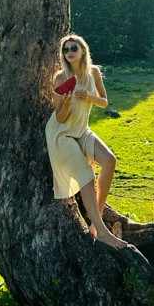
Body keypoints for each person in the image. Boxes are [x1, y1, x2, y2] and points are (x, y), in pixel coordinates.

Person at [45, 34, 127, 250]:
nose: (69, 52)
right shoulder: (60, 78)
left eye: (74, 47)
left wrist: (89, 96)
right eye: (65, 49)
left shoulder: (93, 72)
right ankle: (103, 233)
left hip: (82, 130)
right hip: (62, 134)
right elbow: (60, 117)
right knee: (87, 176)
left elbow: (103, 101)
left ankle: (95, 220)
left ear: (83, 50)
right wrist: (66, 102)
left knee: (109, 161)